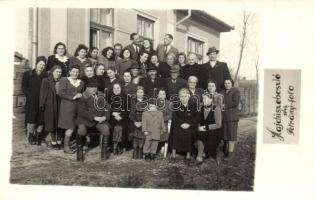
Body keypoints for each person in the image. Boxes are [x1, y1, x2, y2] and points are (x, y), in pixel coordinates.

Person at [76, 80, 111, 161]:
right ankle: (80, 151)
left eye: (95, 87)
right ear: (87, 88)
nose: (94, 89)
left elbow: (108, 108)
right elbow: (81, 111)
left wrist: (104, 117)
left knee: (106, 129)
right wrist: (94, 117)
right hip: (85, 120)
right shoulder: (83, 97)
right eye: (91, 87)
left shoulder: (101, 96)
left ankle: (104, 152)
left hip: (99, 121)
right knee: (81, 130)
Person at [58, 65, 85, 154]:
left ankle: (73, 143)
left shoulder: (81, 82)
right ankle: (66, 147)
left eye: (77, 72)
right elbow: (61, 94)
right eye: (73, 71)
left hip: (78, 106)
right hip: (67, 106)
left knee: (77, 126)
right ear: (69, 72)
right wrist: (73, 96)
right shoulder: (64, 80)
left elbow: (82, 93)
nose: (75, 73)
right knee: (70, 126)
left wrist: (81, 95)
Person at [195, 80, 223, 165]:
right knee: (198, 133)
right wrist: (199, 127)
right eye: (203, 99)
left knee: (204, 134)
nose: (203, 100)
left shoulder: (216, 108)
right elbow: (200, 121)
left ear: (211, 100)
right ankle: (200, 154)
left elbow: (218, 125)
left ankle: (201, 154)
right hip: (204, 130)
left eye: (206, 99)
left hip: (215, 131)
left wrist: (206, 128)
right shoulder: (202, 108)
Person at [22, 56, 47, 145]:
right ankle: (31, 136)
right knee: (32, 119)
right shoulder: (28, 74)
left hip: (42, 101)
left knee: (41, 119)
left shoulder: (46, 76)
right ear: (36, 64)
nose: (41, 66)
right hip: (32, 101)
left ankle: (38, 136)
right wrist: (30, 96)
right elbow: (24, 88)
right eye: (40, 64)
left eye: (43, 65)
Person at [171, 88, 200, 165]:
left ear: (189, 96)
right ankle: (173, 154)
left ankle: (188, 154)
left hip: (190, 126)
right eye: (181, 97)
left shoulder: (193, 105)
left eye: (185, 96)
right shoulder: (176, 105)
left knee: (188, 133)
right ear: (179, 97)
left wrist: (189, 124)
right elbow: (175, 117)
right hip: (179, 125)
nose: (183, 98)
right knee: (176, 132)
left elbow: (196, 117)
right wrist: (181, 124)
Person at [39, 65, 62, 148]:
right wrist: (42, 105)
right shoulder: (46, 80)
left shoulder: (62, 81)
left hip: (59, 103)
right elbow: (42, 93)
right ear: (52, 72)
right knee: (51, 123)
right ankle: (53, 141)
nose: (58, 73)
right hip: (50, 104)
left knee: (59, 122)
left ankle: (59, 140)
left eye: (60, 72)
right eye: (57, 72)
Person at [109, 83, 130, 154]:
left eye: (118, 88)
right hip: (112, 116)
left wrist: (121, 116)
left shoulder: (126, 97)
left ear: (121, 89)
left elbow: (128, 109)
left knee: (123, 127)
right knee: (112, 126)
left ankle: (121, 146)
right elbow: (107, 108)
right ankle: (113, 146)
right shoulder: (109, 97)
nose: (116, 89)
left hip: (123, 117)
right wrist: (113, 113)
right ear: (112, 89)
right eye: (115, 88)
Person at [222, 79, 240, 158]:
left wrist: (224, 106)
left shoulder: (235, 91)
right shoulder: (222, 92)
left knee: (231, 135)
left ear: (231, 84)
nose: (227, 85)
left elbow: (235, 102)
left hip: (232, 117)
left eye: (228, 83)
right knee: (225, 134)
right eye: (225, 83)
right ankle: (226, 149)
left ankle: (230, 153)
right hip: (224, 116)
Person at [129, 86, 147, 159]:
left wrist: (142, 122)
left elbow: (147, 114)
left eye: (141, 92)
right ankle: (135, 149)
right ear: (136, 93)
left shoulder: (146, 102)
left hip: (143, 122)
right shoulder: (133, 101)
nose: (140, 93)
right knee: (135, 132)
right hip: (134, 121)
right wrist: (135, 122)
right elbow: (131, 113)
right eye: (138, 92)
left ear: (143, 93)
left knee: (142, 131)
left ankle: (140, 149)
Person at [155, 88, 173, 156]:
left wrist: (161, 119)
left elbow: (170, 115)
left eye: (163, 94)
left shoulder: (169, 103)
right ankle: (154, 147)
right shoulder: (154, 102)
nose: (162, 96)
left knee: (163, 130)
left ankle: (161, 146)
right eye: (160, 94)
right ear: (158, 95)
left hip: (164, 123)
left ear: (165, 95)